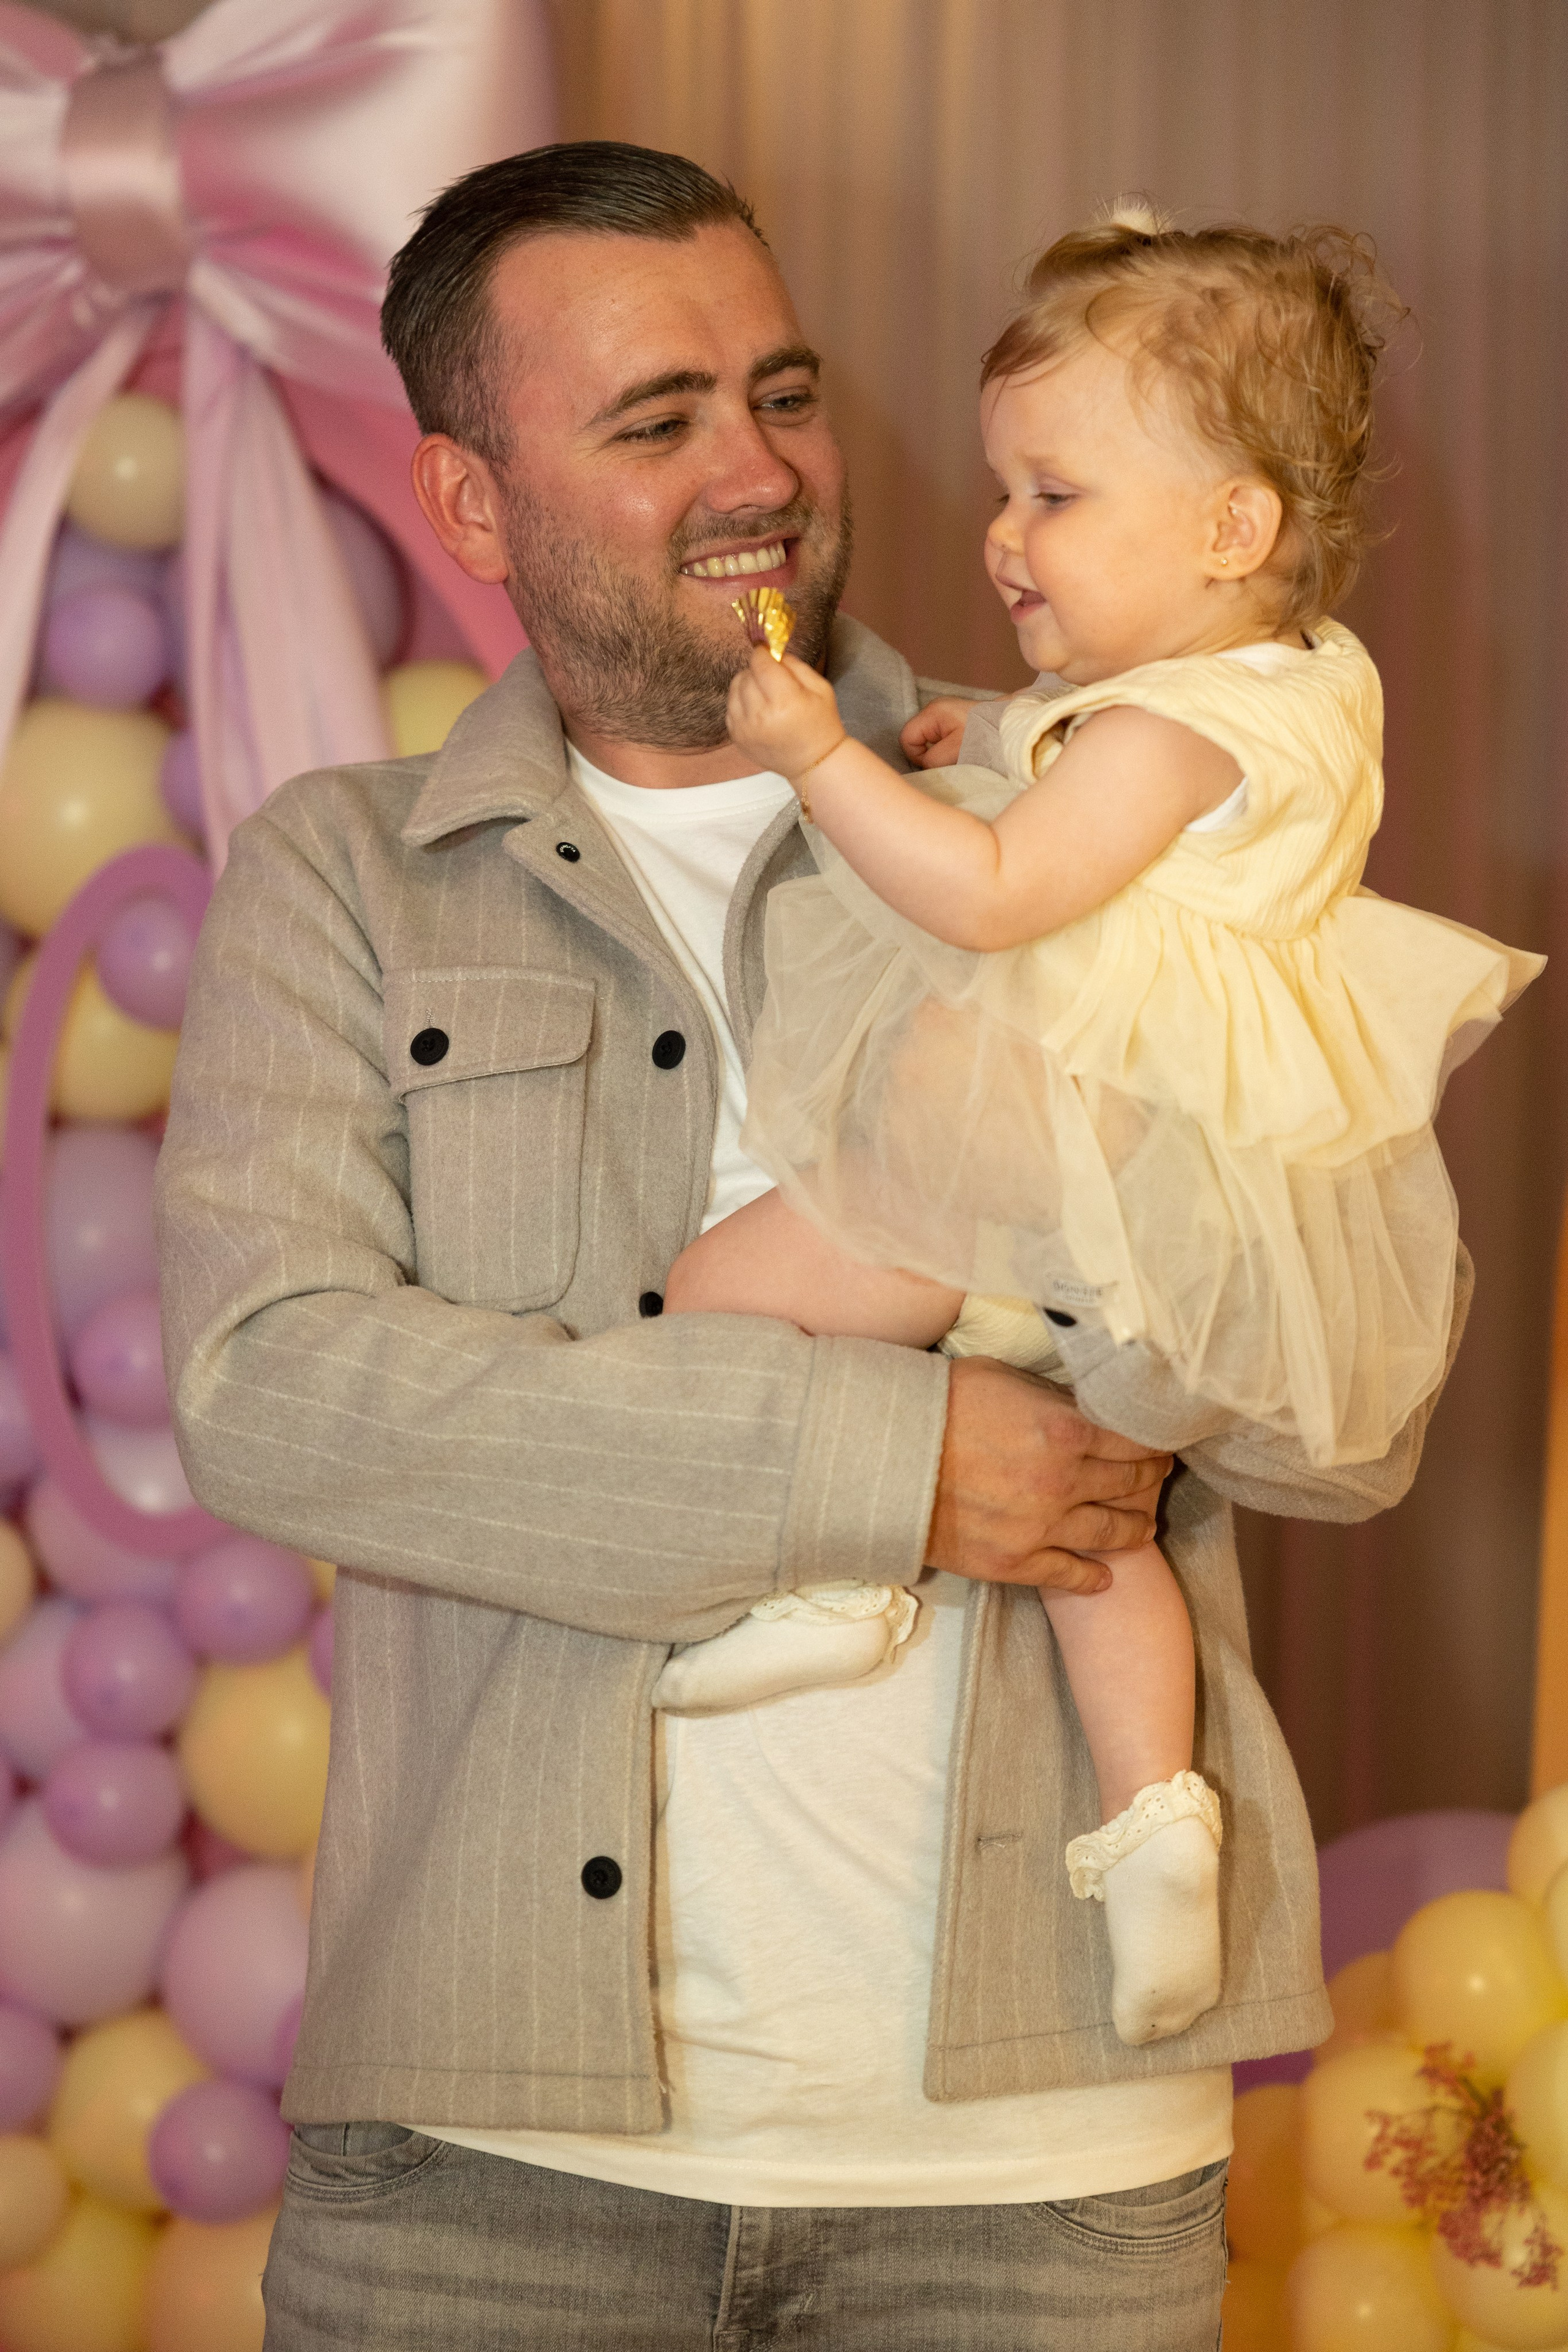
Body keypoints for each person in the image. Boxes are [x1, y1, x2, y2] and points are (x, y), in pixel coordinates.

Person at [156, 143, 1463, 2351]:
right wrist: (895, 1463)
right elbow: (276, 1397)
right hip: (490, 2180)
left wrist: (1133, 1292)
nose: (757, 471)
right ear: (470, 500)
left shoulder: (1094, 799)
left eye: (782, 393)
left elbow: (1336, 1424)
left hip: (1038, 2186)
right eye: (656, 420)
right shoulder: (350, 875)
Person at [652, 203, 1542, 2056]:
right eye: (1007, 490)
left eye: (1055, 494)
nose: (1005, 533)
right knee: (1086, 1518)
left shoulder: (1161, 735)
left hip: (1025, 1154)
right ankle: (1157, 1833)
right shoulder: (1295, 687)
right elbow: (1122, 801)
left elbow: (992, 900)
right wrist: (994, 736)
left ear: (1232, 530)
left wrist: (820, 758)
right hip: (1149, 1213)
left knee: (711, 1300)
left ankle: (831, 1579)